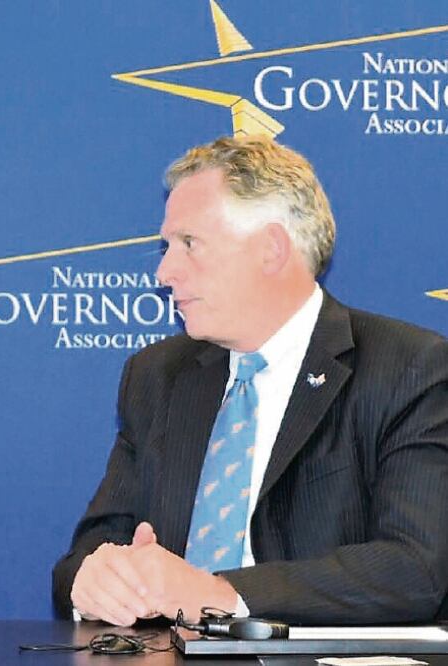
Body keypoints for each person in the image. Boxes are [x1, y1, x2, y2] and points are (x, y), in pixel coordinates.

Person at [52, 136, 448, 626]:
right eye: (166, 246)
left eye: (189, 244)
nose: (164, 271)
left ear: (271, 248)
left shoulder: (409, 369)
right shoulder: (158, 376)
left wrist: (221, 594)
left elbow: (415, 569)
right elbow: (90, 551)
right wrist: (93, 581)